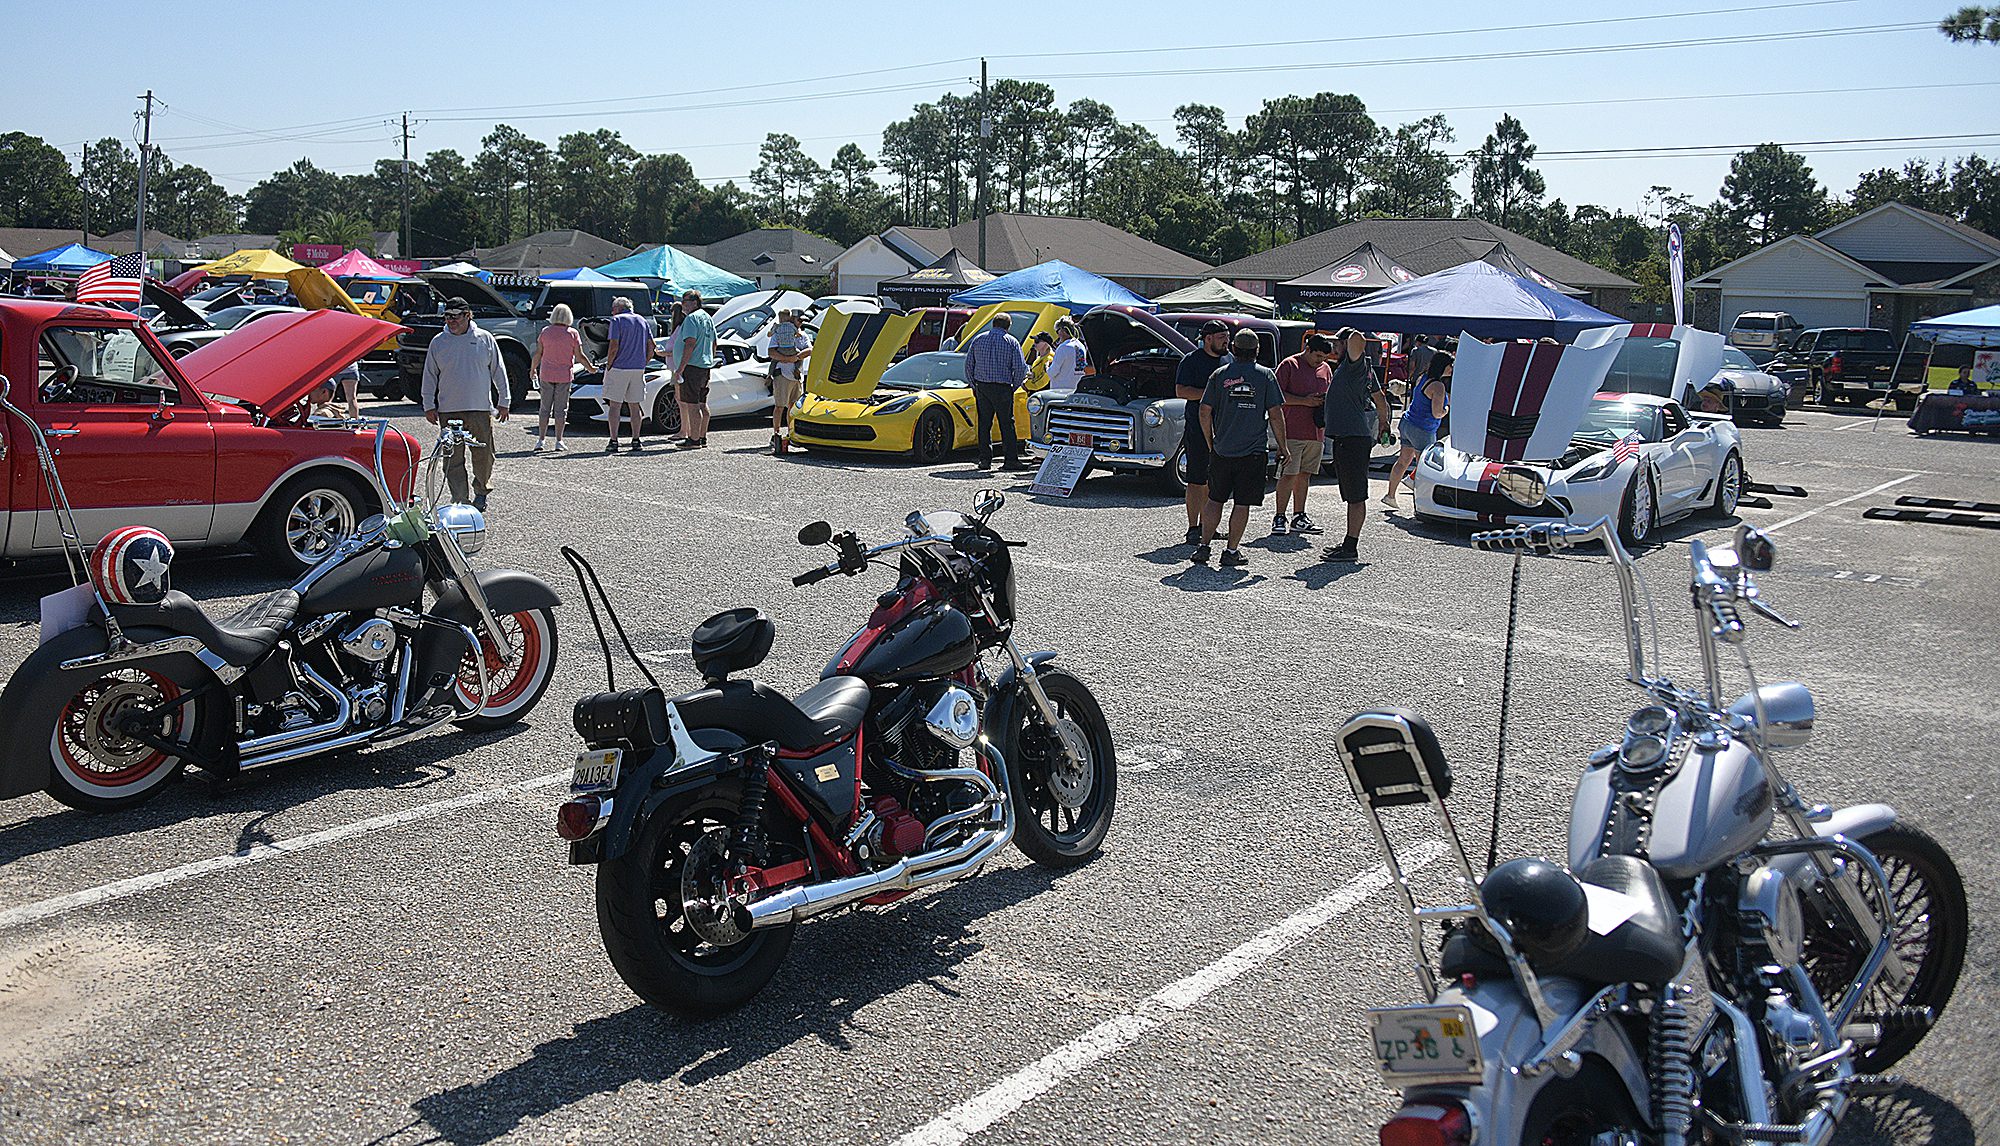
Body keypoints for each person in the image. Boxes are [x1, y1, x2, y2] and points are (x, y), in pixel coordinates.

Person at [1193, 329, 1286, 568]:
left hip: (1222, 449)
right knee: (1241, 503)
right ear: (1257, 351)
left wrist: (1210, 440)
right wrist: (1282, 446)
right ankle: (1231, 551)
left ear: (1234, 350)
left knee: (1215, 499)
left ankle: (1203, 547)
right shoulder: (1266, 376)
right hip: (1252, 452)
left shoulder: (1219, 374)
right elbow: (1276, 415)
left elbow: (1204, 411)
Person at [420, 300, 511, 511]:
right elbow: (429, 375)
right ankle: (460, 499)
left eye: (456, 316)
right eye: (447, 316)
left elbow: (498, 370)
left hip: (479, 408)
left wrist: (504, 401)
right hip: (449, 409)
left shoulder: (484, 338)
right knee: (452, 459)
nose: (451, 321)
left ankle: (481, 491)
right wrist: (428, 404)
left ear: (468, 315)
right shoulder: (438, 342)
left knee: (484, 455)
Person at [1319, 328, 1391, 563]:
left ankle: (1351, 547)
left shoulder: (1356, 364)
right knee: (1351, 494)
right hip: (1348, 437)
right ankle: (1348, 543)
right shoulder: (1361, 369)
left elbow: (1357, 339)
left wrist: (1353, 328)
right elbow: (1379, 397)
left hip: (1353, 438)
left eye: (1337, 343)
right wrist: (1384, 422)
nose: (1334, 348)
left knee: (1356, 496)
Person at [1174, 319, 1233, 545]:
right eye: (1221, 337)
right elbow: (1181, 391)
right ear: (1208, 338)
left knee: (1215, 480)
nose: (1226, 341)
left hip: (1224, 429)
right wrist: (1210, 394)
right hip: (1198, 428)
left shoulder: (1229, 360)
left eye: (1227, 337)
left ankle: (1209, 525)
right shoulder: (1191, 361)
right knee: (1196, 480)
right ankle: (1193, 527)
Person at [1274, 334, 1335, 535]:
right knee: (1288, 474)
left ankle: (1299, 515)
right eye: (1317, 356)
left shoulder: (1325, 369)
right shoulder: (1289, 365)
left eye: (1324, 358)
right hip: (1291, 430)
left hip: (1315, 431)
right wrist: (1304, 401)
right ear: (1307, 349)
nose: (1320, 361)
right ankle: (1279, 517)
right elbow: (1276, 397)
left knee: (1305, 475)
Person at [961, 312, 1028, 470]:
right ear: (1008, 326)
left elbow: (968, 365)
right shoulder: (1011, 342)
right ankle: (1010, 460)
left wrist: (974, 385)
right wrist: (1014, 386)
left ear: (993, 324)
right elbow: (1020, 368)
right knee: (1007, 424)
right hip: (1003, 387)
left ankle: (985, 460)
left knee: (984, 424)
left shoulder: (979, 339)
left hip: (982, 386)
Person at [1383, 350, 1450, 507]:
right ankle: (1421, 504)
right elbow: (1437, 413)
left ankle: (1390, 495)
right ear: (1443, 367)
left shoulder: (1423, 377)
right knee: (1424, 468)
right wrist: (1447, 409)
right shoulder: (1438, 386)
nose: (1452, 369)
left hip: (1408, 423)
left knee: (1402, 462)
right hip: (1423, 429)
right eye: (1450, 365)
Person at [530, 302, 596, 452]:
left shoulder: (545, 331)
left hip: (546, 373)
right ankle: (559, 440)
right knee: (561, 410)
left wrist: (533, 369)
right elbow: (580, 356)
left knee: (544, 408)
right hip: (564, 375)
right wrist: (590, 368)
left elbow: (538, 353)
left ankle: (541, 440)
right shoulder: (572, 333)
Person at [600, 296, 656, 452]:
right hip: (637, 368)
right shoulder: (642, 321)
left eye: (613, 308)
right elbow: (651, 346)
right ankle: (636, 439)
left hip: (619, 367)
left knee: (615, 405)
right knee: (635, 405)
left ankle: (614, 441)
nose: (612, 311)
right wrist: (643, 362)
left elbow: (613, 346)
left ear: (618, 308)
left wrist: (609, 364)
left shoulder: (617, 320)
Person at [673, 289, 719, 449]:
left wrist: (680, 368)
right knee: (701, 403)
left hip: (692, 367)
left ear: (694, 302)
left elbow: (690, 343)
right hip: (704, 367)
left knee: (692, 405)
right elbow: (714, 343)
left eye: (685, 301)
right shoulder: (707, 318)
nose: (682, 304)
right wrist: (709, 359)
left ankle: (693, 440)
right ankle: (702, 436)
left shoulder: (692, 319)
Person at [768, 308, 811, 453]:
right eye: (799, 320)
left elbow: (810, 350)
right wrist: (787, 359)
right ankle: (776, 434)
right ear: (792, 319)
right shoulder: (779, 332)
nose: (801, 323)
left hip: (797, 376)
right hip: (782, 375)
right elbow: (771, 352)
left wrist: (797, 358)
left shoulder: (802, 335)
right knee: (780, 406)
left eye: (802, 321)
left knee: (794, 407)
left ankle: (791, 433)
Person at [1049, 319, 1089, 393]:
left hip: (1061, 391)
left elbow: (1053, 372)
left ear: (1062, 331)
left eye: (1057, 331)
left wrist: (1047, 368)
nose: (1058, 334)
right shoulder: (1081, 346)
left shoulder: (1063, 347)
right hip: (1076, 389)